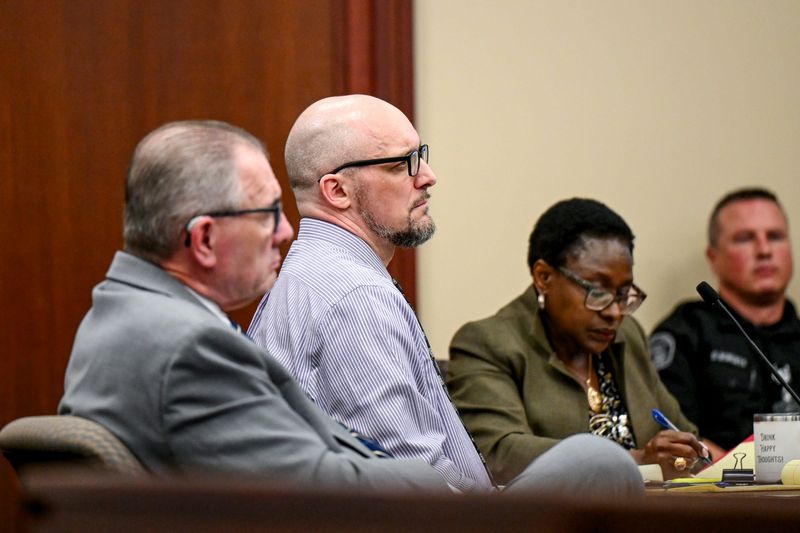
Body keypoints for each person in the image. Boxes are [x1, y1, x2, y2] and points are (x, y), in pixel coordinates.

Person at [248, 95, 643, 496]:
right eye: (401, 164)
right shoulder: (353, 297)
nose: (427, 176)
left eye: (420, 155)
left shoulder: (318, 273)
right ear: (337, 191)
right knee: (600, 462)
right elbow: (412, 480)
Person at [58, 119, 447, 492]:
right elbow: (319, 489)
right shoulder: (190, 348)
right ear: (205, 239)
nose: (285, 231)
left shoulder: (119, 309)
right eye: (268, 213)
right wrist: (444, 487)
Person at [447, 198, 708, 483]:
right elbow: (496, 453)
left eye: (623, 294)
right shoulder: (489, 343)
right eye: (597, 291)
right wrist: (635, 461)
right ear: (544, 277)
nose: (614, 312)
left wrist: (685, 453)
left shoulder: (626, 336)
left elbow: (684, 435)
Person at [650, 188, 800, 457]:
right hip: (717, 492)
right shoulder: (685, 333)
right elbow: (673, 432)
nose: (764, 250)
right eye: (745, 239)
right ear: (713, 258)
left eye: (775, 237)